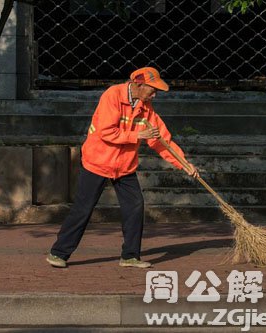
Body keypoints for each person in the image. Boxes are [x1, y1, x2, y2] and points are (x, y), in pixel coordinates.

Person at [47, 67, 198, 269]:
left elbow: (161, 139)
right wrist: (137, 136)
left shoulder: (146, 107)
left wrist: (184, 163)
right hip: (97, 162)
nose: (155, 94)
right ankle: (59, 253)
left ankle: (130, 256)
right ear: (139, 84)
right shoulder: (113, 95)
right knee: (83, 209)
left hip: (124, 166)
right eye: (153, 89)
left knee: (135, 206)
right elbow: (106, 132)